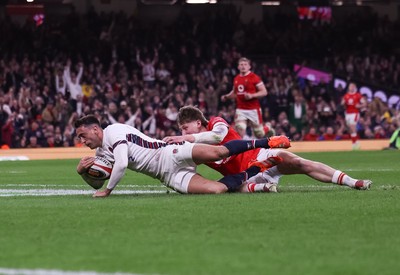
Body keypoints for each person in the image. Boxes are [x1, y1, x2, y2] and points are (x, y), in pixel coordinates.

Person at [75, 115, 291, 198]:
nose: (82, 141)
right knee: (218, 189)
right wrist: (83, 173)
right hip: (167, 176)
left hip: (169, 153)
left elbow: (121, 164)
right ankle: (255, 169)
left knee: (218, 151)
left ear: (95, 129)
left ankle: (267, 141)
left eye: (83, 135)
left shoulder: (113, 131)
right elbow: (97, 181)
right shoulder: (101, 152)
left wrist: (108, 191)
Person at [163, 106, 372, 191]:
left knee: (299, 162)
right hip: (244, 178)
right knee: (227, 188)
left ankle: (353, 182)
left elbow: (216, 136)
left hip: (262, 157)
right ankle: (261, 187)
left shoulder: (216, 123)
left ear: (198, 123)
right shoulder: (195, 149)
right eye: (181, 130)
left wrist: (189, 137)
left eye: (185, 128)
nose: (183, 133)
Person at [220, 57, 268, 139]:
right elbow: (235, 93)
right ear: (238, 67)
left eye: (245, 64)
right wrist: (226, 96)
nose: (243, 66)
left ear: (249, 67)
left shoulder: (254, 77)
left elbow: (264, 92)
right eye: (241, 64)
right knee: (240, 128)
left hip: (254, 109)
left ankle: (268, 127)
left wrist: (252, 95)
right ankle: (241, 150)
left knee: (259, 134)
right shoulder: (236, 78)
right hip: (241, 109)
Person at [341, 82, 367, 150]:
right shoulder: (346, 96)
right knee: (351, 129)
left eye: (353, 86)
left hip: (355, 113)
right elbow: (342, 104)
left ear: (355, 88)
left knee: (352, 126)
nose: (351, 87)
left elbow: (365, 103)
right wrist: (343, 104)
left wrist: (360, 106)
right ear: (348, 87)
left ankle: (355, 144)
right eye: (350, 86)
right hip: (347, 113)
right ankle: (356, 142)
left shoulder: (358, 95)